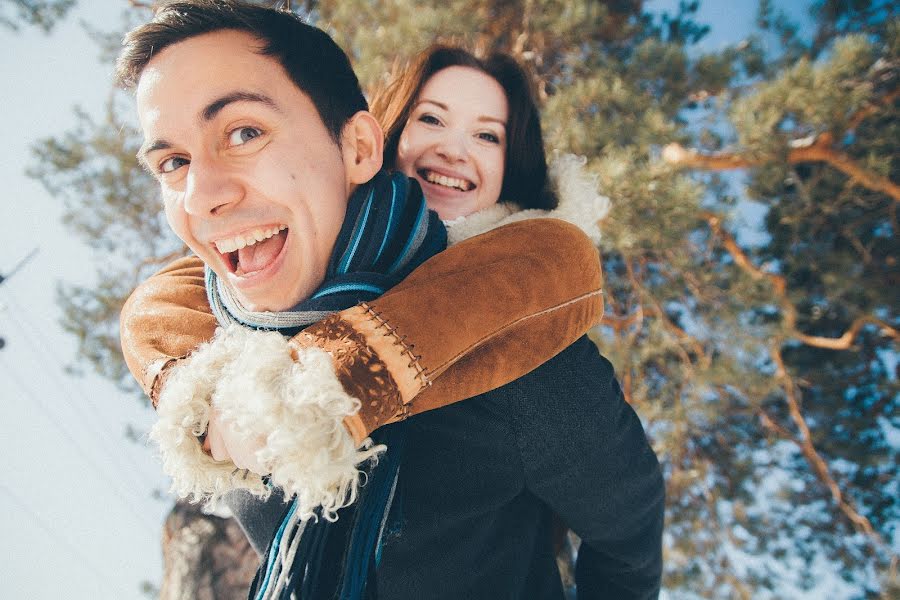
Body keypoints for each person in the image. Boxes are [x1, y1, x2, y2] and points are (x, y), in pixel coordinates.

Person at [118, 1, 664, 598]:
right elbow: (157, 309)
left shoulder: (521, 348)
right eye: (172, 161)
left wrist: (334, 380)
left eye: (245, 132)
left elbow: (628, 537)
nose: (203, 195)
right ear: (383, 140)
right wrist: (195, 396)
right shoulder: (227, 355)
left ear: (358, 147)